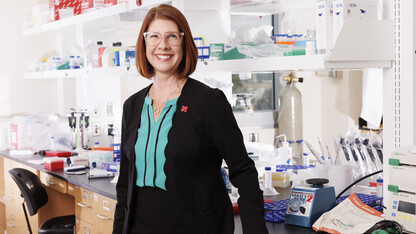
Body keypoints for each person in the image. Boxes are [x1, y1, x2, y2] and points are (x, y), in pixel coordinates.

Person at [113, 4, 268, 234]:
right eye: (154, 36)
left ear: (184, 43)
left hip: (194, 226)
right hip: (139, 225)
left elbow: (243, 171)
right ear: (144, 43)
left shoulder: (208, 103)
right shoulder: (133, 105)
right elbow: (125, 183)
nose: (162, 45)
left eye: (172, 36)